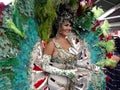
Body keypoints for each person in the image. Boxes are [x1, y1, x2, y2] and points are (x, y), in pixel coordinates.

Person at [41, 4, 99, 90]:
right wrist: (65, 72)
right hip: (56, 84)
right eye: (66, 25)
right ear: (59, 26)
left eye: (70, 25)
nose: (69, 28)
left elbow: (72, 61)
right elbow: (45, 66)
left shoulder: (70, 42)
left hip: (71, 84)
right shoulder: (52, 43)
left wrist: (87, 66)